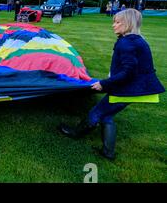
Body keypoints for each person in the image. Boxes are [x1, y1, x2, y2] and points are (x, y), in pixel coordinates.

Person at [59, 9, 165, 160]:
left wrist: (104, 84)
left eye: (117, 22)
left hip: (129, 89)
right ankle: (108, 152)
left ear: (127, 24)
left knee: (97, 112)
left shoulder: (127, 43)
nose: (113, 26)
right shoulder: (139, 40)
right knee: (107, 115)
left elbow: (129, 72)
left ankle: (76, 133)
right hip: (135, 88)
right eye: (113, 22)